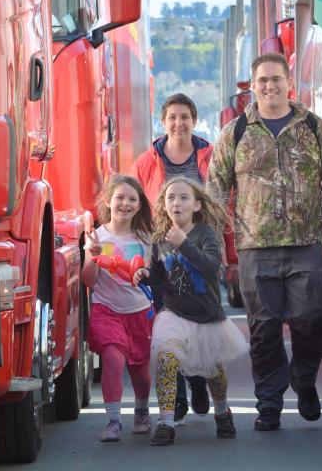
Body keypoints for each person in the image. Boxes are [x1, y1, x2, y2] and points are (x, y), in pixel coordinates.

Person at [207, 52, 322, 431]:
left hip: (306, 244)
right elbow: (216, 190)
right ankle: (268, 404)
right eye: (262, 81)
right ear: (252, 87)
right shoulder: (235, 133)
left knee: (311, 318)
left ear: (289, 82)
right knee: (264, 329)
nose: (269, 86)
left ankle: (304, 380)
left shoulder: (313, 128)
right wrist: (214, 246)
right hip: (256, 248)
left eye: (276, 79)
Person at [133, 177, 248, 446]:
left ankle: (222, 412)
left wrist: (184, 243)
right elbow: (159, 273)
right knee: (165, 358)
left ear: (197, 205)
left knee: (213, 371)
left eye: (184, 197)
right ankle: (166, 421)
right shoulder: (160, 238)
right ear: (164, 205)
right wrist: (144, 274)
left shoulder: (205, 233)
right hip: (174, 313)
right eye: (171, 197)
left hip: (207, 315)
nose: (177, 202)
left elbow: (211, 267)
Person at [130, 93, 223, 422]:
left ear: (194, 120)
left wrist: (229, 252)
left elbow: (225, 206)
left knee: (197, 323)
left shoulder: (212, 156)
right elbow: (137, 209)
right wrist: (139, 254)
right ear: (163, 121)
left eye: (185, 117)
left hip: (199, 251)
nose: (178, 123)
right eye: (172, 117)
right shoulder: (146, 162)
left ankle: (198, 382)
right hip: (163, 253)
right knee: (168, 323)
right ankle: (179, 393)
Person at [81, 175, 154, 442]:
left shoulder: (147, 238)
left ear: (139, 205)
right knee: (113, 360)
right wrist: (93, 256)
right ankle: (113, 421)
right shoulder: (96, 237)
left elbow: (153, 275)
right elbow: (88, 281)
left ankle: (142, 410)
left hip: (139, 312)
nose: (125, 203)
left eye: (132, 199)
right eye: (120, 198)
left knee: (141, 372)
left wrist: (144, 272)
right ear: (109, 201)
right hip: (106, 310)